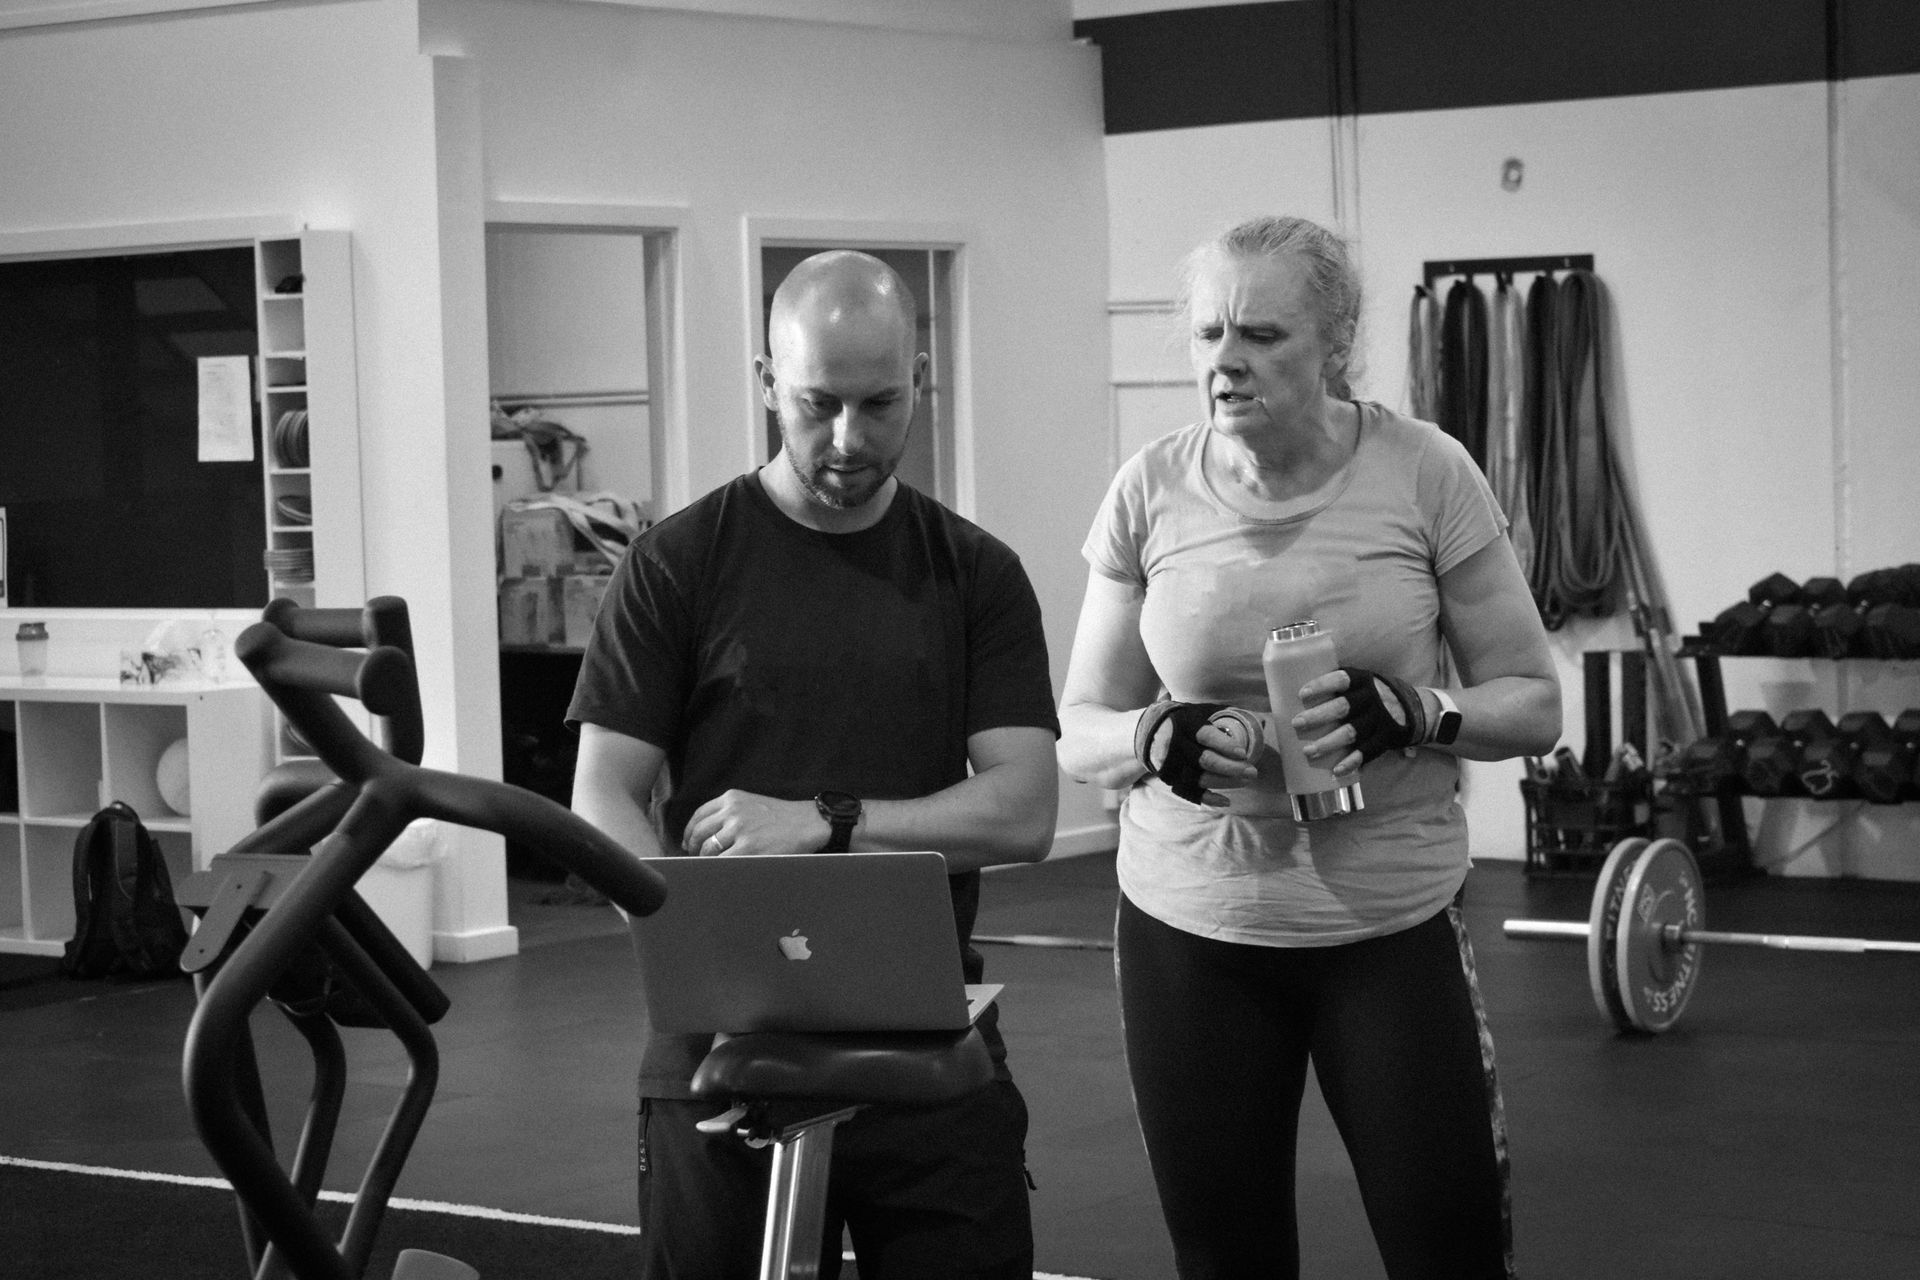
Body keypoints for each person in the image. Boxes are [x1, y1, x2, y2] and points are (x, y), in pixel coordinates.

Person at [1057, 215, 1560, 1280]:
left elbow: (1532, 703)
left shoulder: (1426, 473)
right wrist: (1154, 735)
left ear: (1333, 342)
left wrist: (1420, 712)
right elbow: (1080, 725)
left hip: (1386, 925)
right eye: (1205, 336)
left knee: (1449, 1249)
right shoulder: (1150, 489)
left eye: (1260, 334)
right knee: (1226, 1257)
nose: (1225, 362)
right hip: (1192, 928)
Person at [567, 249, 1059, 1280]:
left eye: (880, 402)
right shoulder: (677, 564)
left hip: (925, 1038)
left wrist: (825, 818)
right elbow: (603, 792)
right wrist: (683, 933)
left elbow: (1023, 810)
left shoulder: (976, 574)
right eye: (815, 402)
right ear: (765, 382)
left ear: (919, 382)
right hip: (718, 1041)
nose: (847, 438)